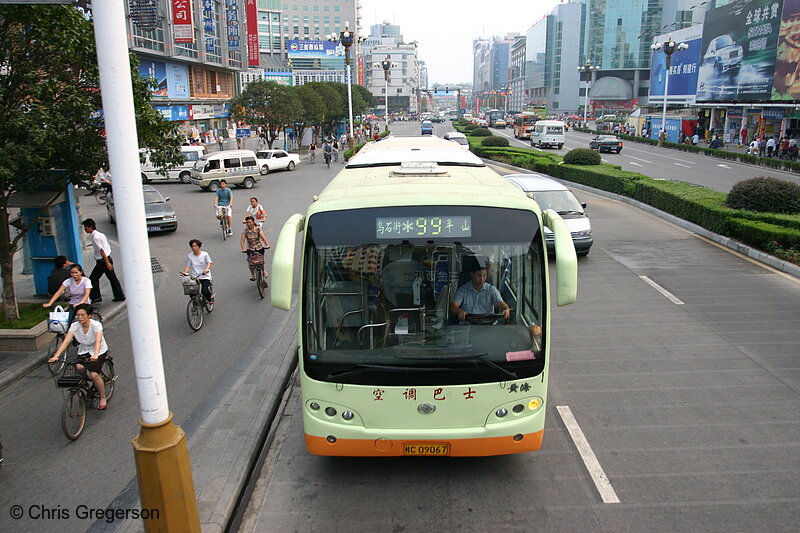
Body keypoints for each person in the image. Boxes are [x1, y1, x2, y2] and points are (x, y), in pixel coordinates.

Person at [48, 303, 109, 410]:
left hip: (98, 351)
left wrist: (95, 355)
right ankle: (85, 382)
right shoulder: (75, 326)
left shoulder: (96, 325)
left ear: (89, 315)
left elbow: (98, 341)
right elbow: (66, 341)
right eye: (78, 315)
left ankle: (102, 397)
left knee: (94, 375)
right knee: (79, 367)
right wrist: (56, 356)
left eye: (82, 315)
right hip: (84, 350)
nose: (80, 318)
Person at [450, 257, 510, 321]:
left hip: (487, 326)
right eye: (478, 275)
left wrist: (505, 309)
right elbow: (453, 306)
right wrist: (460, 311)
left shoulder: (491, 289)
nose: (481, 279)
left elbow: (500, 303)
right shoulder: (463, 290)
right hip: (467, 325)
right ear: (472, 274)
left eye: (484, 276)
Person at [82, 218, 125, 304]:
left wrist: (107, 263)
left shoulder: (95, 237)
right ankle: (120, 296)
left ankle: (96, 296)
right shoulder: (100, 234)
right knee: (112, 278)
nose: (85, 229)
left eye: (85, 227)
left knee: (93, 278)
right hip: (107, 259)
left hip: (103, 261)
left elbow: (102, 251)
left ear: (90, 227)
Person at [182, 239, 213, 305]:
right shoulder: (190, 256)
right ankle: (195, 304)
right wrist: (185, 273)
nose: (194, 248)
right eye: (192, 246)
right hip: (195, 277)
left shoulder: (205, 254)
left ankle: (210, 298)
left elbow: (209, 263)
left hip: (205, 276)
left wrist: (206, 269)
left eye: (195, 246)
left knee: (204, 291)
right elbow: (187, 267)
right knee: (191, 291)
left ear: (199, 246)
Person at [240, 216, 270, 281]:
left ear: (253, 222)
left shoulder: (258, 229)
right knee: (251, 263)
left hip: (259, 248)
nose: (248, 224)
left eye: (250, 222)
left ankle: (263, 271)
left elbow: (263, 237)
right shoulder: (245, 231)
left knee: (261, 262)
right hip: (251, 249)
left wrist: (267, 245)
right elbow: (242, 241)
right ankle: (252, 274)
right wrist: (243, 249)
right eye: (247, 223)